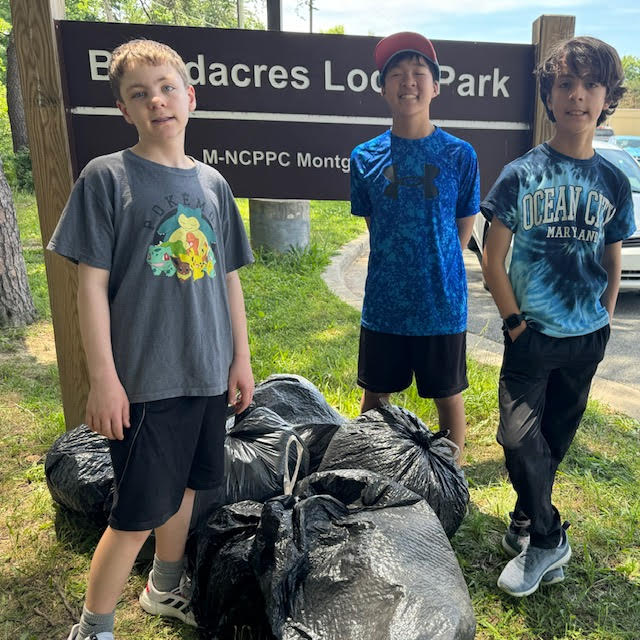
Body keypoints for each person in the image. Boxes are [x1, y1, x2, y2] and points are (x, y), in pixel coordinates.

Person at [48, 39, 255, 639]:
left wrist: (240, 360)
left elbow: (229, 280)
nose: (156, 101)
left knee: (187, 488)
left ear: (190, 97)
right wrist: (104, 379)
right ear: (124, 109)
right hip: (144, 380)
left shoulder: (214, 184)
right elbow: (90, 287)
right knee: (137, 513)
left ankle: (164, 587)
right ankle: (94, 627)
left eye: (166, 88)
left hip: (207, 372)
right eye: (139, 94)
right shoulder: (106, 177)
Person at [481, 36, 635, 598]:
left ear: (607, 97)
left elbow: (613, 256)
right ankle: (549, 538)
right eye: (566, 84)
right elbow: (492, 259)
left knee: (554, 440)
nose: (578, 96)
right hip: (532, 335)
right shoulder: (521, 174)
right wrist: (514, 324)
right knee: (517, 438)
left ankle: (525, 521)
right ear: (548, 94)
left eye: (592, 85)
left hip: (585, 338)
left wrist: (606, 317)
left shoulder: (614, 182)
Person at [350, 32, 480, 456]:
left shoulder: (460, 155)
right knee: (375, 398)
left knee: (448, 397)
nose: (408, 81)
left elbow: (462, 229)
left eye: (419, 72)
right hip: (384, 303)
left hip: (440, 304)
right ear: (383, 88)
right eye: (397, 74)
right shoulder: (363, 157)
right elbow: (376, 227)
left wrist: (436, 269)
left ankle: (451, 478)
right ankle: (366, 468)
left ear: (436, 86)